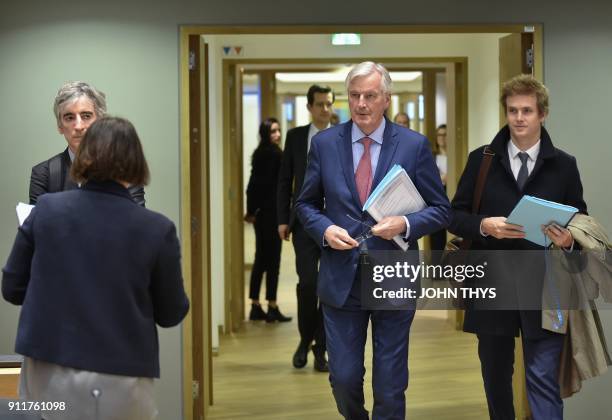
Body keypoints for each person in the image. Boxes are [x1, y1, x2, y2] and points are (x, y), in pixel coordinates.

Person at [2, 117, 190, 420]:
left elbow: (12, 289)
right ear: (136, 162)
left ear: (84, 158)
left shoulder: (46, 210)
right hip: (121, 376)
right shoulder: (157, 229)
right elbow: (171, 313)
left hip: (45, 370)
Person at [295, 62, 449, 419]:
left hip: (393, 276)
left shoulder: (413, 146)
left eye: (370, 96)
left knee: (390, 384)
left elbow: (441, 209)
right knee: (344, 377)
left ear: (386, 99)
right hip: (340, 277)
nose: (361, 103)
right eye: (354, 96)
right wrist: (324, 230)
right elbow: (304, 203)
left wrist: (406, 223)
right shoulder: (324, 144)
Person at [449, 74, 587, 420]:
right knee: (496, 376)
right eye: (512, 111)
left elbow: (580, 221)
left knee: (543, 378)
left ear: (542, 114)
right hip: (492, 283)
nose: (519, 118)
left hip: (546, 286)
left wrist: (569, 240)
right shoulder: (481, 160)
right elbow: (453, 216)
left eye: (527, 110)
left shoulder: (565, 165)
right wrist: (484, 225)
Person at [277, 85, 334, 372]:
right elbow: (285, 179)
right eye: (320, 104)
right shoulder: (296, 137)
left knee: (329, 286)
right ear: (310, 108)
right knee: (308, 284)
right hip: (303, 222)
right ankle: (304, 339)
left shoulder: (343, 135)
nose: (325, 109)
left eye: (328, 104)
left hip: (336, 224)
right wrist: (282, 219)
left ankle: (320, 348)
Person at [29, 81, 145, 206]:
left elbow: (134, 220)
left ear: (101, 122)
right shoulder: (45, 173)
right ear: (59, 126)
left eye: (86, 116)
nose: (78, 126)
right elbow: (39, 223)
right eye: (69, 117)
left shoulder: (124, 169)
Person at [245, 118, 291, 323]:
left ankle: (255, 304)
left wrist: (251, 211)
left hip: (261, 214)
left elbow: (252, 186)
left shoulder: (259, 153)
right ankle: (271, 305)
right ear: (265, 133)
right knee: (272, 261)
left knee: (260, 259)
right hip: (272, 215)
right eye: (273, 131)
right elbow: (278, 187)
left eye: (278, 130)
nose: (277, 134)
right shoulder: (275, 155)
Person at [429, 124, 448, 257]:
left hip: (452, 194)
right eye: (439, 135)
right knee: (436, 233)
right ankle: (436, 268)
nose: (442, 138)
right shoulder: (432, 156)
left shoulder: (455, 155)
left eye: (445, 135)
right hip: (437, 196)